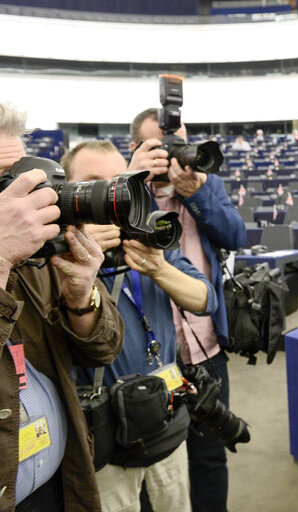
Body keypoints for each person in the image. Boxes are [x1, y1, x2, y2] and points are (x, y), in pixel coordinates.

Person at [63, 140, 217, 512]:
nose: (109, 193)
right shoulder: (57, 255)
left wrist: (159, 268)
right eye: (93, 182)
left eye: (118, 181)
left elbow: (205, 299)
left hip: (166, 420)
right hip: (106, 436)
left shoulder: (148, 234)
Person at [0, 102, 123, 511]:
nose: (21, 203)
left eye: (19, 180)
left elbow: (104, 349)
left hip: (59, 487)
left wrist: (81, 299)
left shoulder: (39, 256)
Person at [128, 108, 246, 512]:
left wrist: (195, 195)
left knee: (209, 457)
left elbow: (236, 234)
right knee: (152, 465)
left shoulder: (206, 186)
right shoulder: (125, 192)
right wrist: (133, 179)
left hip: (206, 349)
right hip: (150, 360)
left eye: (183, 144)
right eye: (164, 147)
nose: (178, 156)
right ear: (138, 148)